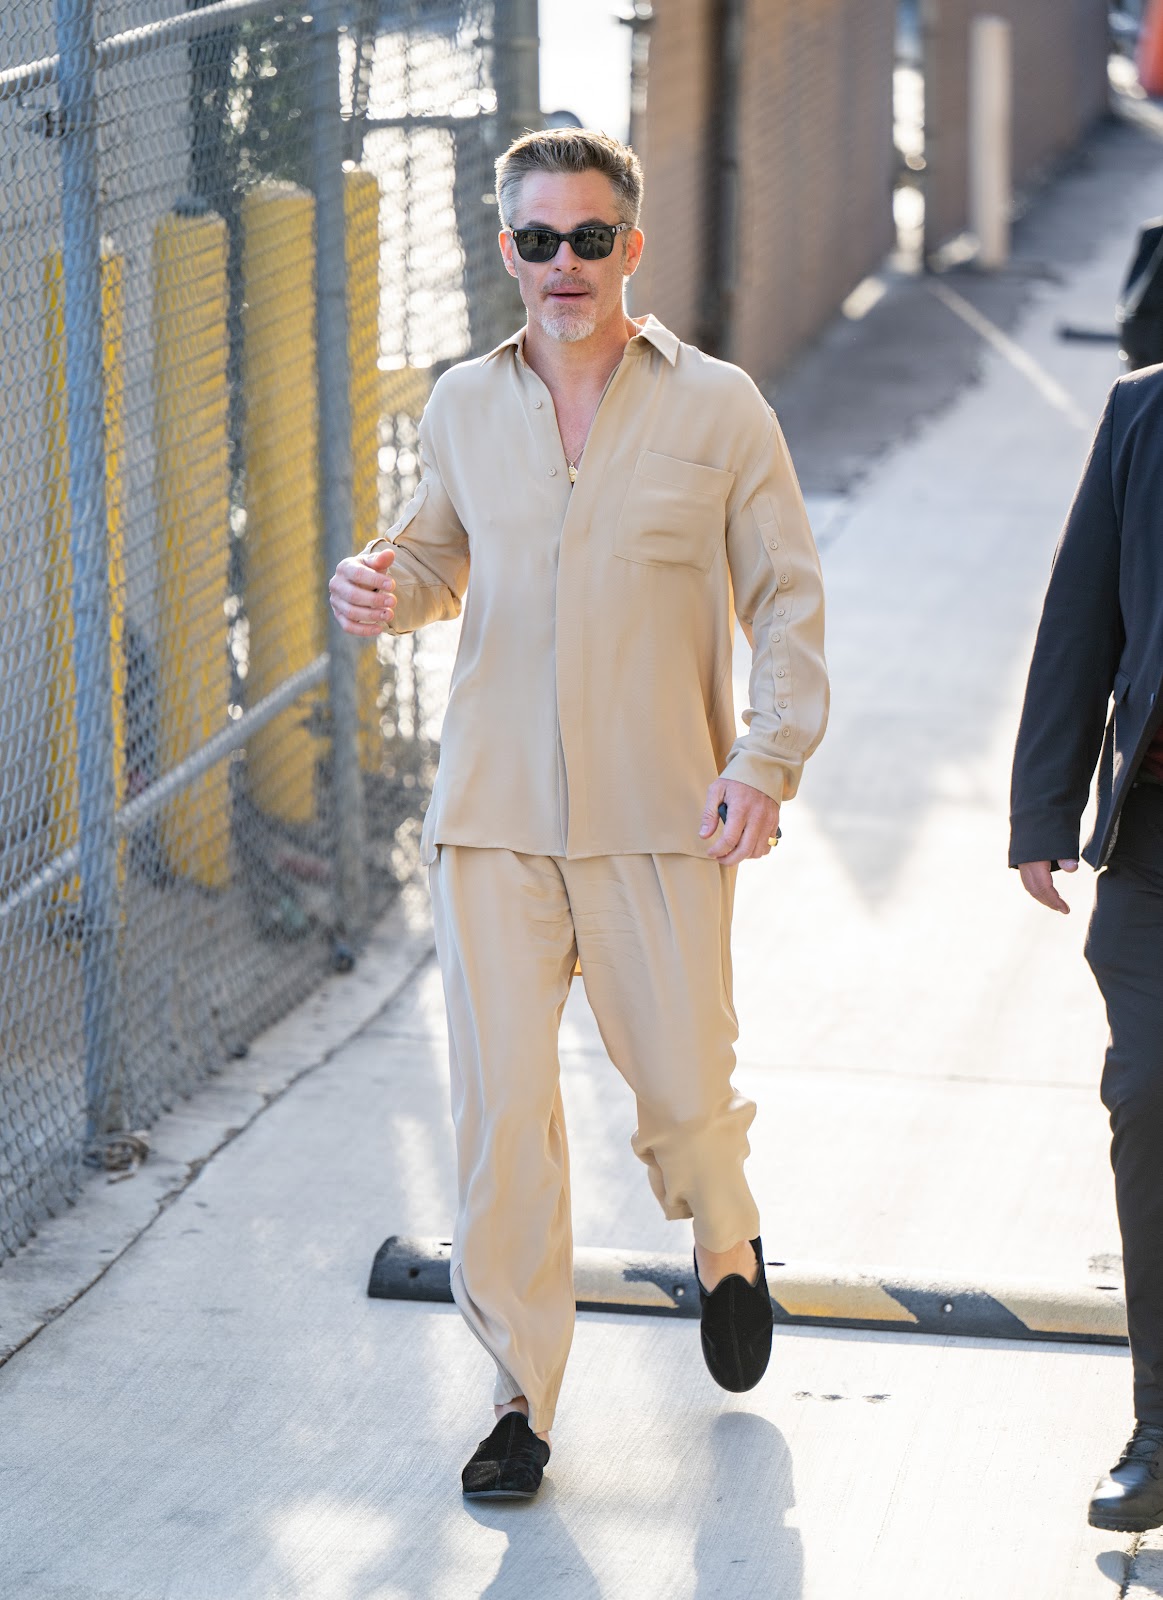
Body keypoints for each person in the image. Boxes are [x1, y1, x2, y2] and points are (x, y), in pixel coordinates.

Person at [329, 129, 828, 1500]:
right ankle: (516, 1398)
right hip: (490, 818)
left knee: (678, 1093)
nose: (564, 265)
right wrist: (381, 588)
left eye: (588, 238)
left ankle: (723, 1238)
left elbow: (783, 599)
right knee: (500, 1121)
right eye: (538, 240)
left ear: (630, 247)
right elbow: (433, 553)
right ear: (506, 252)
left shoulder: (718, 408)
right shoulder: (461, 406)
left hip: (662, 814)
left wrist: (765, 762)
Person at [1011, 362, 1163, 1533]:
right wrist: (1040, 811)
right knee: (1148, 1092)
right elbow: (1080, 614)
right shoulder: (1140, 412)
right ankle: (1159, 1426)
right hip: (1157, 841)